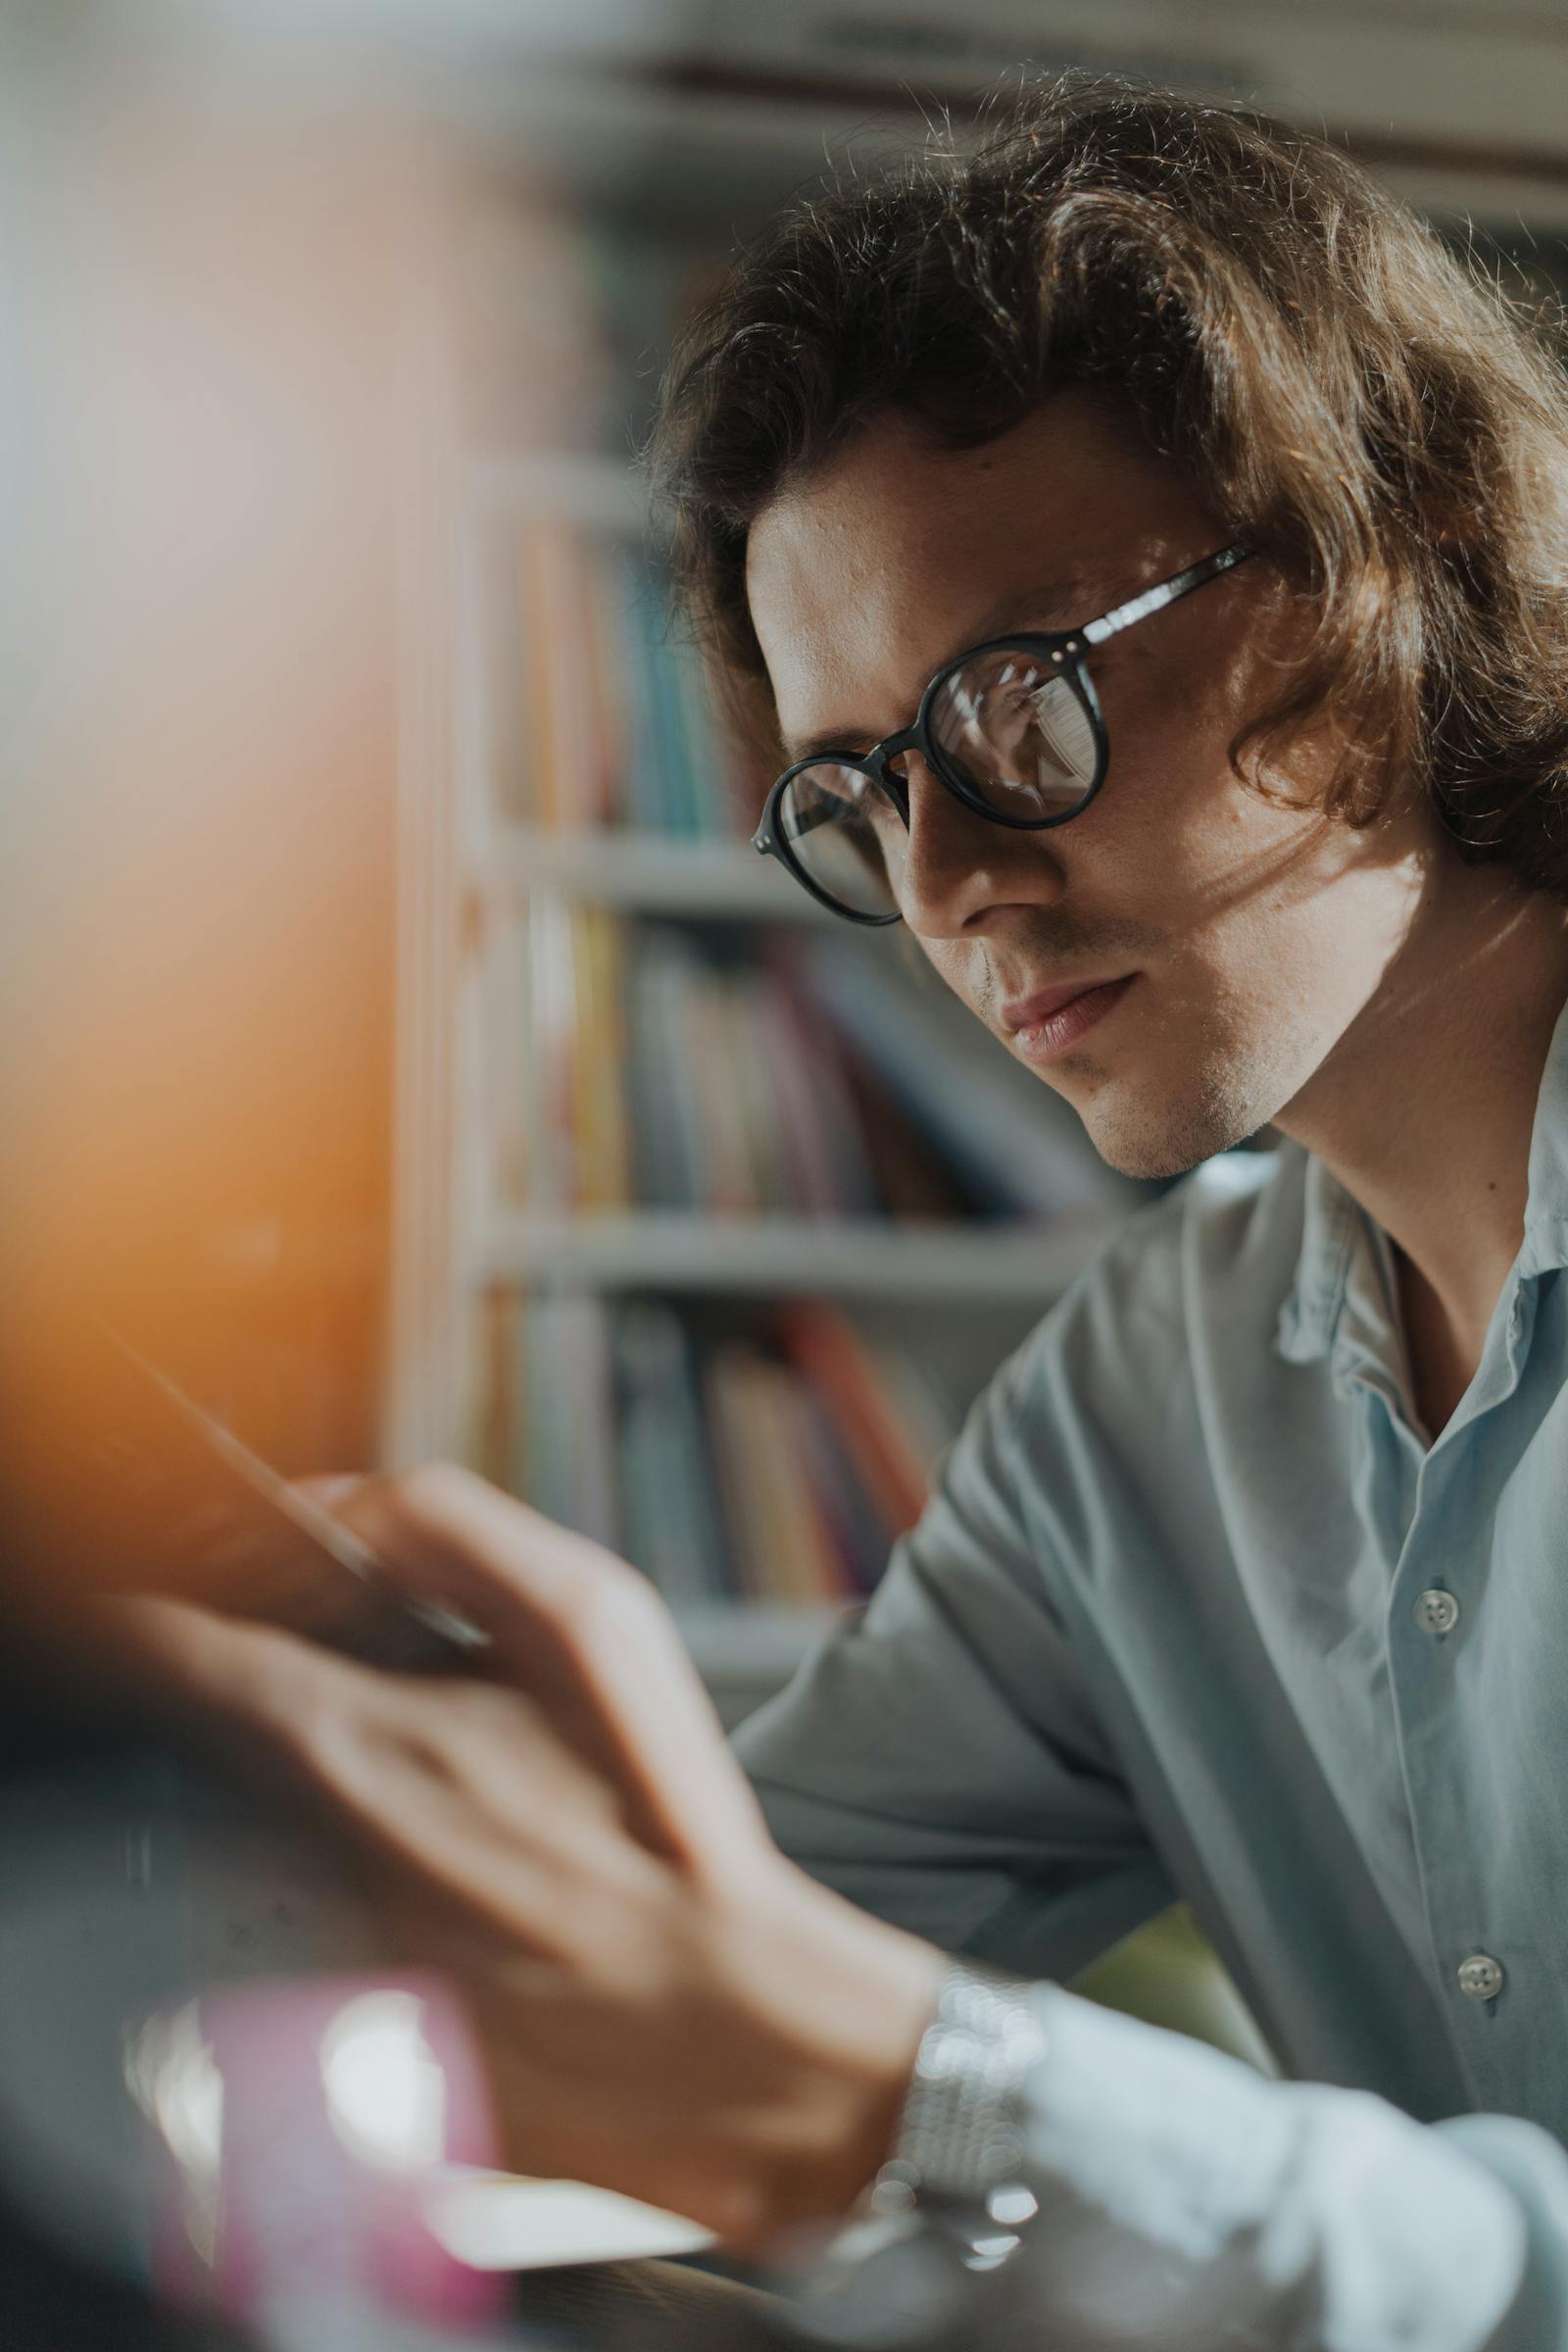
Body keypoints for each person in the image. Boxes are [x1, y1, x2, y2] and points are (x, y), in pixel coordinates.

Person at [126, 84, 1568, 2348]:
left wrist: (924, 2105)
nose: (947, 886)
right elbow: (691, 1977)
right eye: (857, 788)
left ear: (1375, 574)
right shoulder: (1144, 1400)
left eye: (1013, 706)